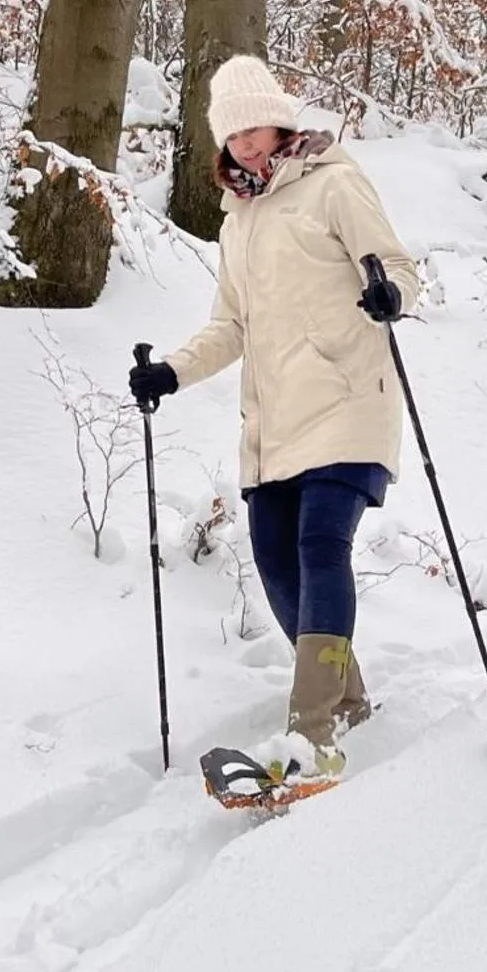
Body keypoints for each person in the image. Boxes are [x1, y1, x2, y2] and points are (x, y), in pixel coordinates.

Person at [129, 54, 419, 780]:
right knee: (274, 561)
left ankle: (311, 730)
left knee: (323, 545)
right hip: (273, 422)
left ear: (278, 120)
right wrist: (171, 370)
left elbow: (397, 268)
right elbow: (230, 326)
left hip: (348, 399)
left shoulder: (334, 182)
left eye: (253, 128)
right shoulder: (240, 222)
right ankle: (346, 700)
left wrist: (390, 296)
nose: (246, 146)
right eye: (232, 138)